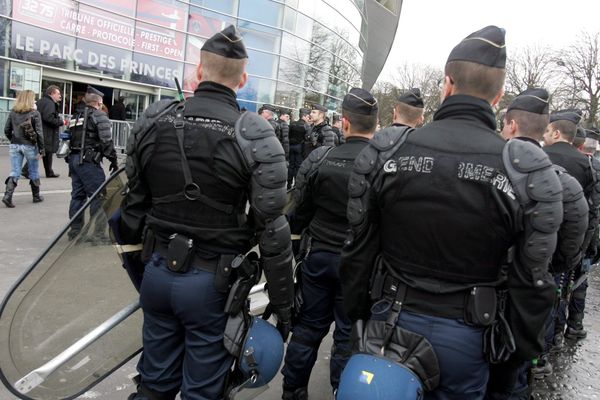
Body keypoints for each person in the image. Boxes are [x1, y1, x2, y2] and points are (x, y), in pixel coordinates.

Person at [340, 26, 561, 400]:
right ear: (499, 95)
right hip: (468, 335)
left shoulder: (390, 151)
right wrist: (513, 363)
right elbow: (533, 278)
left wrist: (355, 317)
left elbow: (358, 248)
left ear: (447, 83)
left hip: (392, 318)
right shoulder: (524, 169)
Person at [119, 25, 293, 400]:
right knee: (202, 392)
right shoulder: (256, 134)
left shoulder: (153, 121)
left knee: (154, 385)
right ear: (243, 79)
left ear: (199, 72)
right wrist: (283, 302)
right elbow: (272, 232)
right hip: (211, 285)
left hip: (158, 273)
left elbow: (131, 209)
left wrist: (142, 264)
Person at [487, 88, 589, 399]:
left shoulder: (490, 164)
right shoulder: (563, 179)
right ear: (544, 129)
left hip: (483, 288)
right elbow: (578, 228)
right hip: (529, 289)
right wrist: (552, 268)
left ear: (512, 126)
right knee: (514, 374)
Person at [282, 88, 378, 400]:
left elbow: (300, 210)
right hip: (357, 264)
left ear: (345, 123)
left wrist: (298, 250)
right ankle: (340, 390)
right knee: (347, 334)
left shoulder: (321, 158)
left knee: (308, 328)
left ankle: (293, 390)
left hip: (320, 255)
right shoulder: (380, 166)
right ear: (375, 125)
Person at [542, 110, 600, 345]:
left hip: (539, 238)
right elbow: (592, 212)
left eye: (547, 130)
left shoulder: (540, 156)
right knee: (563, 290)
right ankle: (557, 335)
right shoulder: (588, 166)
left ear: (556, 132)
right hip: (570, 241)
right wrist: (587, 248)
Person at [66, 86, 118, 240]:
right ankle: (99, 235)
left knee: (77, 197)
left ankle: (75, 233)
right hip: (89, 162)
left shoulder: (76, 116)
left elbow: (69, 137)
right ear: (99, 102)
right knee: (100, 197)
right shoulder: (99, 115)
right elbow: (106, 142)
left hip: (74, 160)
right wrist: (113, 160)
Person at [2, 90, 45, 207]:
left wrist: (13, 139)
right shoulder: (35, 113)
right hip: (30, 145)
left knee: (15, 170)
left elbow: (6, 129)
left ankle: (7, 196)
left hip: (15, 144)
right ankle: (36, 196)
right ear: (30, 100)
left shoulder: (13, 112)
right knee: (34, 170)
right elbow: (39, 133)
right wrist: (42, 149)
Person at [35, 85, 64, 178]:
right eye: (58, 93)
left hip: (41, 130)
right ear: (52, 94)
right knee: (44, 151)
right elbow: (48, 118)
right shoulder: (50, 103)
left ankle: (49, 172)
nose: (60, 96)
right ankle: (26, 170)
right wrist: (60, 122)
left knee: (47, 152)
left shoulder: (41, 101)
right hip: (47, 132)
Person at [287, 108, 311, 189]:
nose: (308, 118)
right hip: (300, 148)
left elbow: (288, 135)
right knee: (298, 166)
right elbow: (308, 138)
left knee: (291, 166)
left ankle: (288, 184)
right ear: (304, 116)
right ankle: (295, 185)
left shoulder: (292, 124)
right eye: (308, 117)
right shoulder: (306, 126)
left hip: (291, 146)